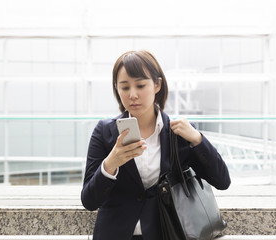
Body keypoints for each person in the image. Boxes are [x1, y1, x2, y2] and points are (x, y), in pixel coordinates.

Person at [81, 50, 231, 240]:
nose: (133, 95)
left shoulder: (178, 133)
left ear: (157, 84)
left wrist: (198, 139)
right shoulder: (104, 132)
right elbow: (89, 200)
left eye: (141, 85)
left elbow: (222, 181)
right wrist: (111, 164)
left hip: (166, 234)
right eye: (125, 87)